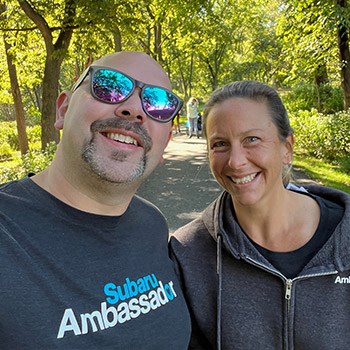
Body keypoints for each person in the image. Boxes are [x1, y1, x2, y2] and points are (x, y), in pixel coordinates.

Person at [0, 51, 191, 349]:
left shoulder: (152, 224)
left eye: (158, 104)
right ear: (62, 109)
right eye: (109, 85)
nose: (133, 110)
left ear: (164, 143)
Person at [169, 80, 350, 349]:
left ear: (286, 148)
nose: (236, 161)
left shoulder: (344, 235)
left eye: (251, 139)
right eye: (220, 144)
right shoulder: (187, 254)